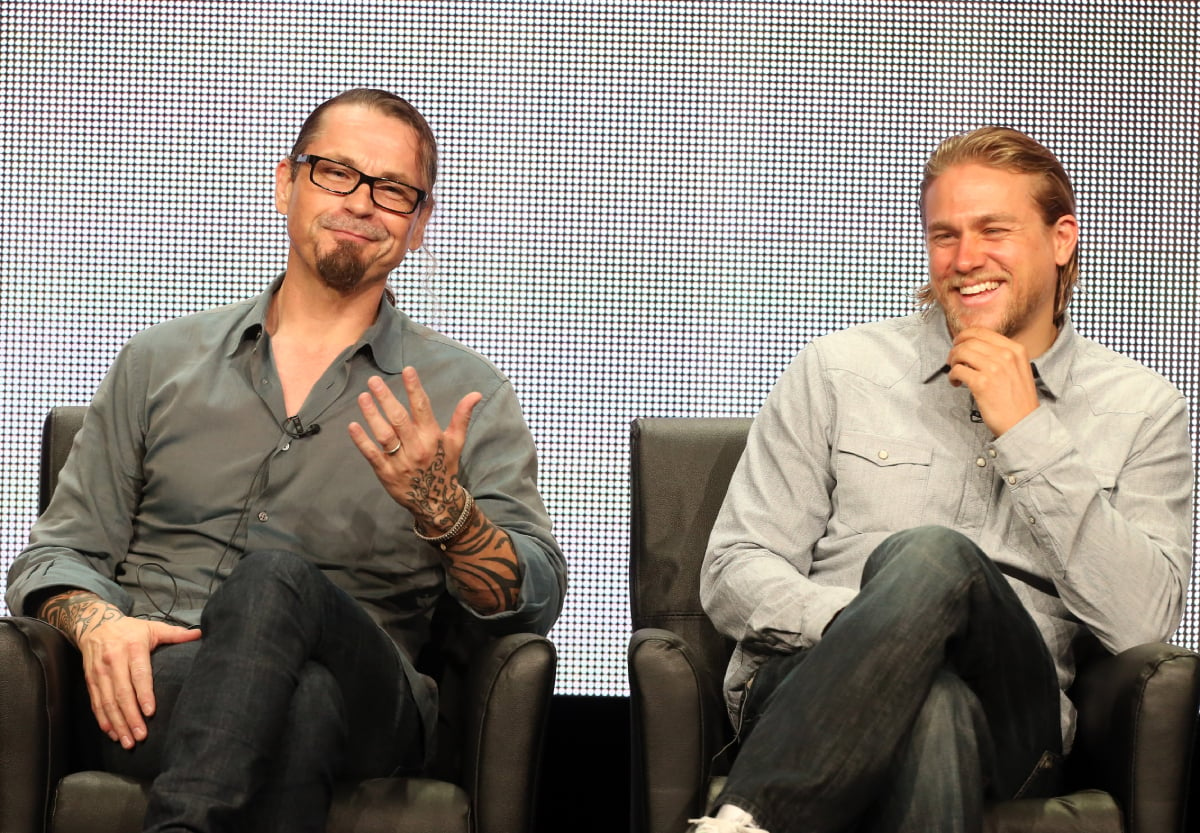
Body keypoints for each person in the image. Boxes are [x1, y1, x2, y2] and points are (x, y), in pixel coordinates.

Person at [6, 88, 567, 833]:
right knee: (302, 703)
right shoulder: (157, 363)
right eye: (335, 172)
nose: (362, 202)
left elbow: (534, 595)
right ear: (286, 183)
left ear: (420, 223)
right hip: (161, 681)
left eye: (393, 189)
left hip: (372, 691)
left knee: (277, 580)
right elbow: (56, 554)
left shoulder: (463, 395)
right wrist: (99, 623)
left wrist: (448, 513)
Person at [693, 127, 1192, 833]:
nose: (964, 259)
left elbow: (1143, 621)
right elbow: (733, 569)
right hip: (803, 681)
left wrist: (1027, 433)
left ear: (1061, 239)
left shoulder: (1143, 409)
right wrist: (879, 632)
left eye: (994, 230)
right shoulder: (838, 371)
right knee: (932, 702)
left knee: (937, 554)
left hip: (1016, 718)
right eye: (944, 235)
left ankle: (747, 816)